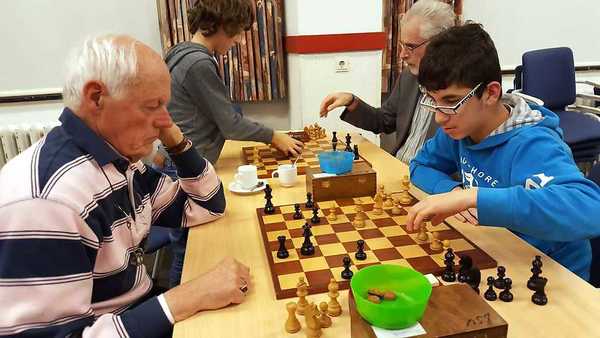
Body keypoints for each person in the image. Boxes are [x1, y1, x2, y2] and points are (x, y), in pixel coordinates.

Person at [0, 35, 250, 337]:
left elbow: (208, 206)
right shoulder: (50, 202)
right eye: (152, 105)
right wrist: (185, 297)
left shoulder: (121, 163)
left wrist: (177, 141)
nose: (165, 121)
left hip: (132, 312)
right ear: (96, 97)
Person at [405, 23, 600, 280]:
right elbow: (420, 166)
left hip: (554, 276)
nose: (440, 117)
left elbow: (590, 209)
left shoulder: (534, 144)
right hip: (498, 254)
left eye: (451, 101)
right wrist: (452, 192)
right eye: (433, 100)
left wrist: (474, 197)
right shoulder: (460, 128)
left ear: (491, 93)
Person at [165, 0, 303, 164]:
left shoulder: (180, 51)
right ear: (221, 25)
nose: (239, 39)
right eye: (237, 31)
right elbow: (230, 126)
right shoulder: (198, 63)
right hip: (187, 164)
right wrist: (274, 136)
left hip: (175, 157)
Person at [319, 0, 456, 164]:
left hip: (433, 181)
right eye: (401, 46)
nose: (402, 55)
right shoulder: (409, 77)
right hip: (398, 169)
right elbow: (384, 121)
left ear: (440, 43)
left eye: (410, 47)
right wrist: (351, 101)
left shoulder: (461, 91)